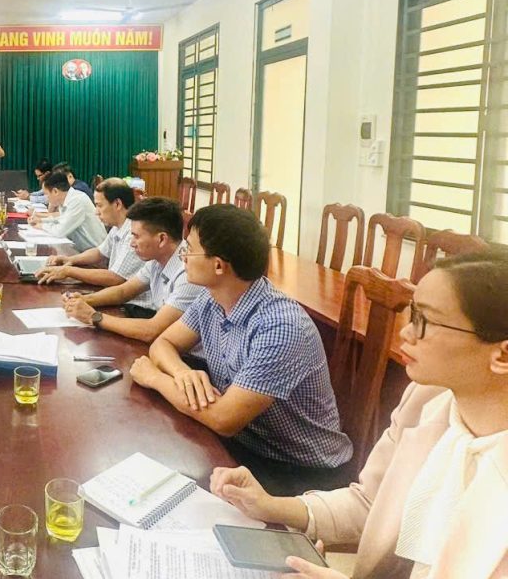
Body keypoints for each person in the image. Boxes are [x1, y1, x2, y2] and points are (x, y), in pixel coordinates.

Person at [210, 251, 508, 579]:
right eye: (412, 314)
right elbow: (370, 503)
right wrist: (270, 505)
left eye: (424, 321)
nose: (406, 333)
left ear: (503, 355)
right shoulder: (426, 400)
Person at [129, 204, 353, 496]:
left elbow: (224, 419)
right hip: (247, 445)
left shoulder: (280, 326)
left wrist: (156, 378)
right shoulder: (212, 298)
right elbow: (164, 343)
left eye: (190, 250)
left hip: (300, 471)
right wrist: (182, 372)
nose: (182, 256)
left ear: (218, 266)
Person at [61, 197, 202, 343]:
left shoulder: (188, 273)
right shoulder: (156, 259)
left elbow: (152, 330)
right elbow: (123, 291)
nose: (132, 243)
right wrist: (84, 300)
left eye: (136, 236)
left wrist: (93, 316)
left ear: (161, 239)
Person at [34, 178, 147, 293]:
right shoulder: (117, 227)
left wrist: (68, 271)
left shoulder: (132, 233)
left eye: (99, 206)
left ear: (117, 204)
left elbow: (115, 278)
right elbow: (99, 252)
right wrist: (70, 259)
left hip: (132, 302)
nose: (96, 212)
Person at [26, 171, 106, 252]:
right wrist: (41, 220)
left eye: (47, 194)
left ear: (55, 191)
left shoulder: (77, 200)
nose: (47, 198)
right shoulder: (66, 199)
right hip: (81, 250)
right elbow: (62, 220)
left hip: (95, 253)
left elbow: (60, 231)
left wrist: (41, 225)